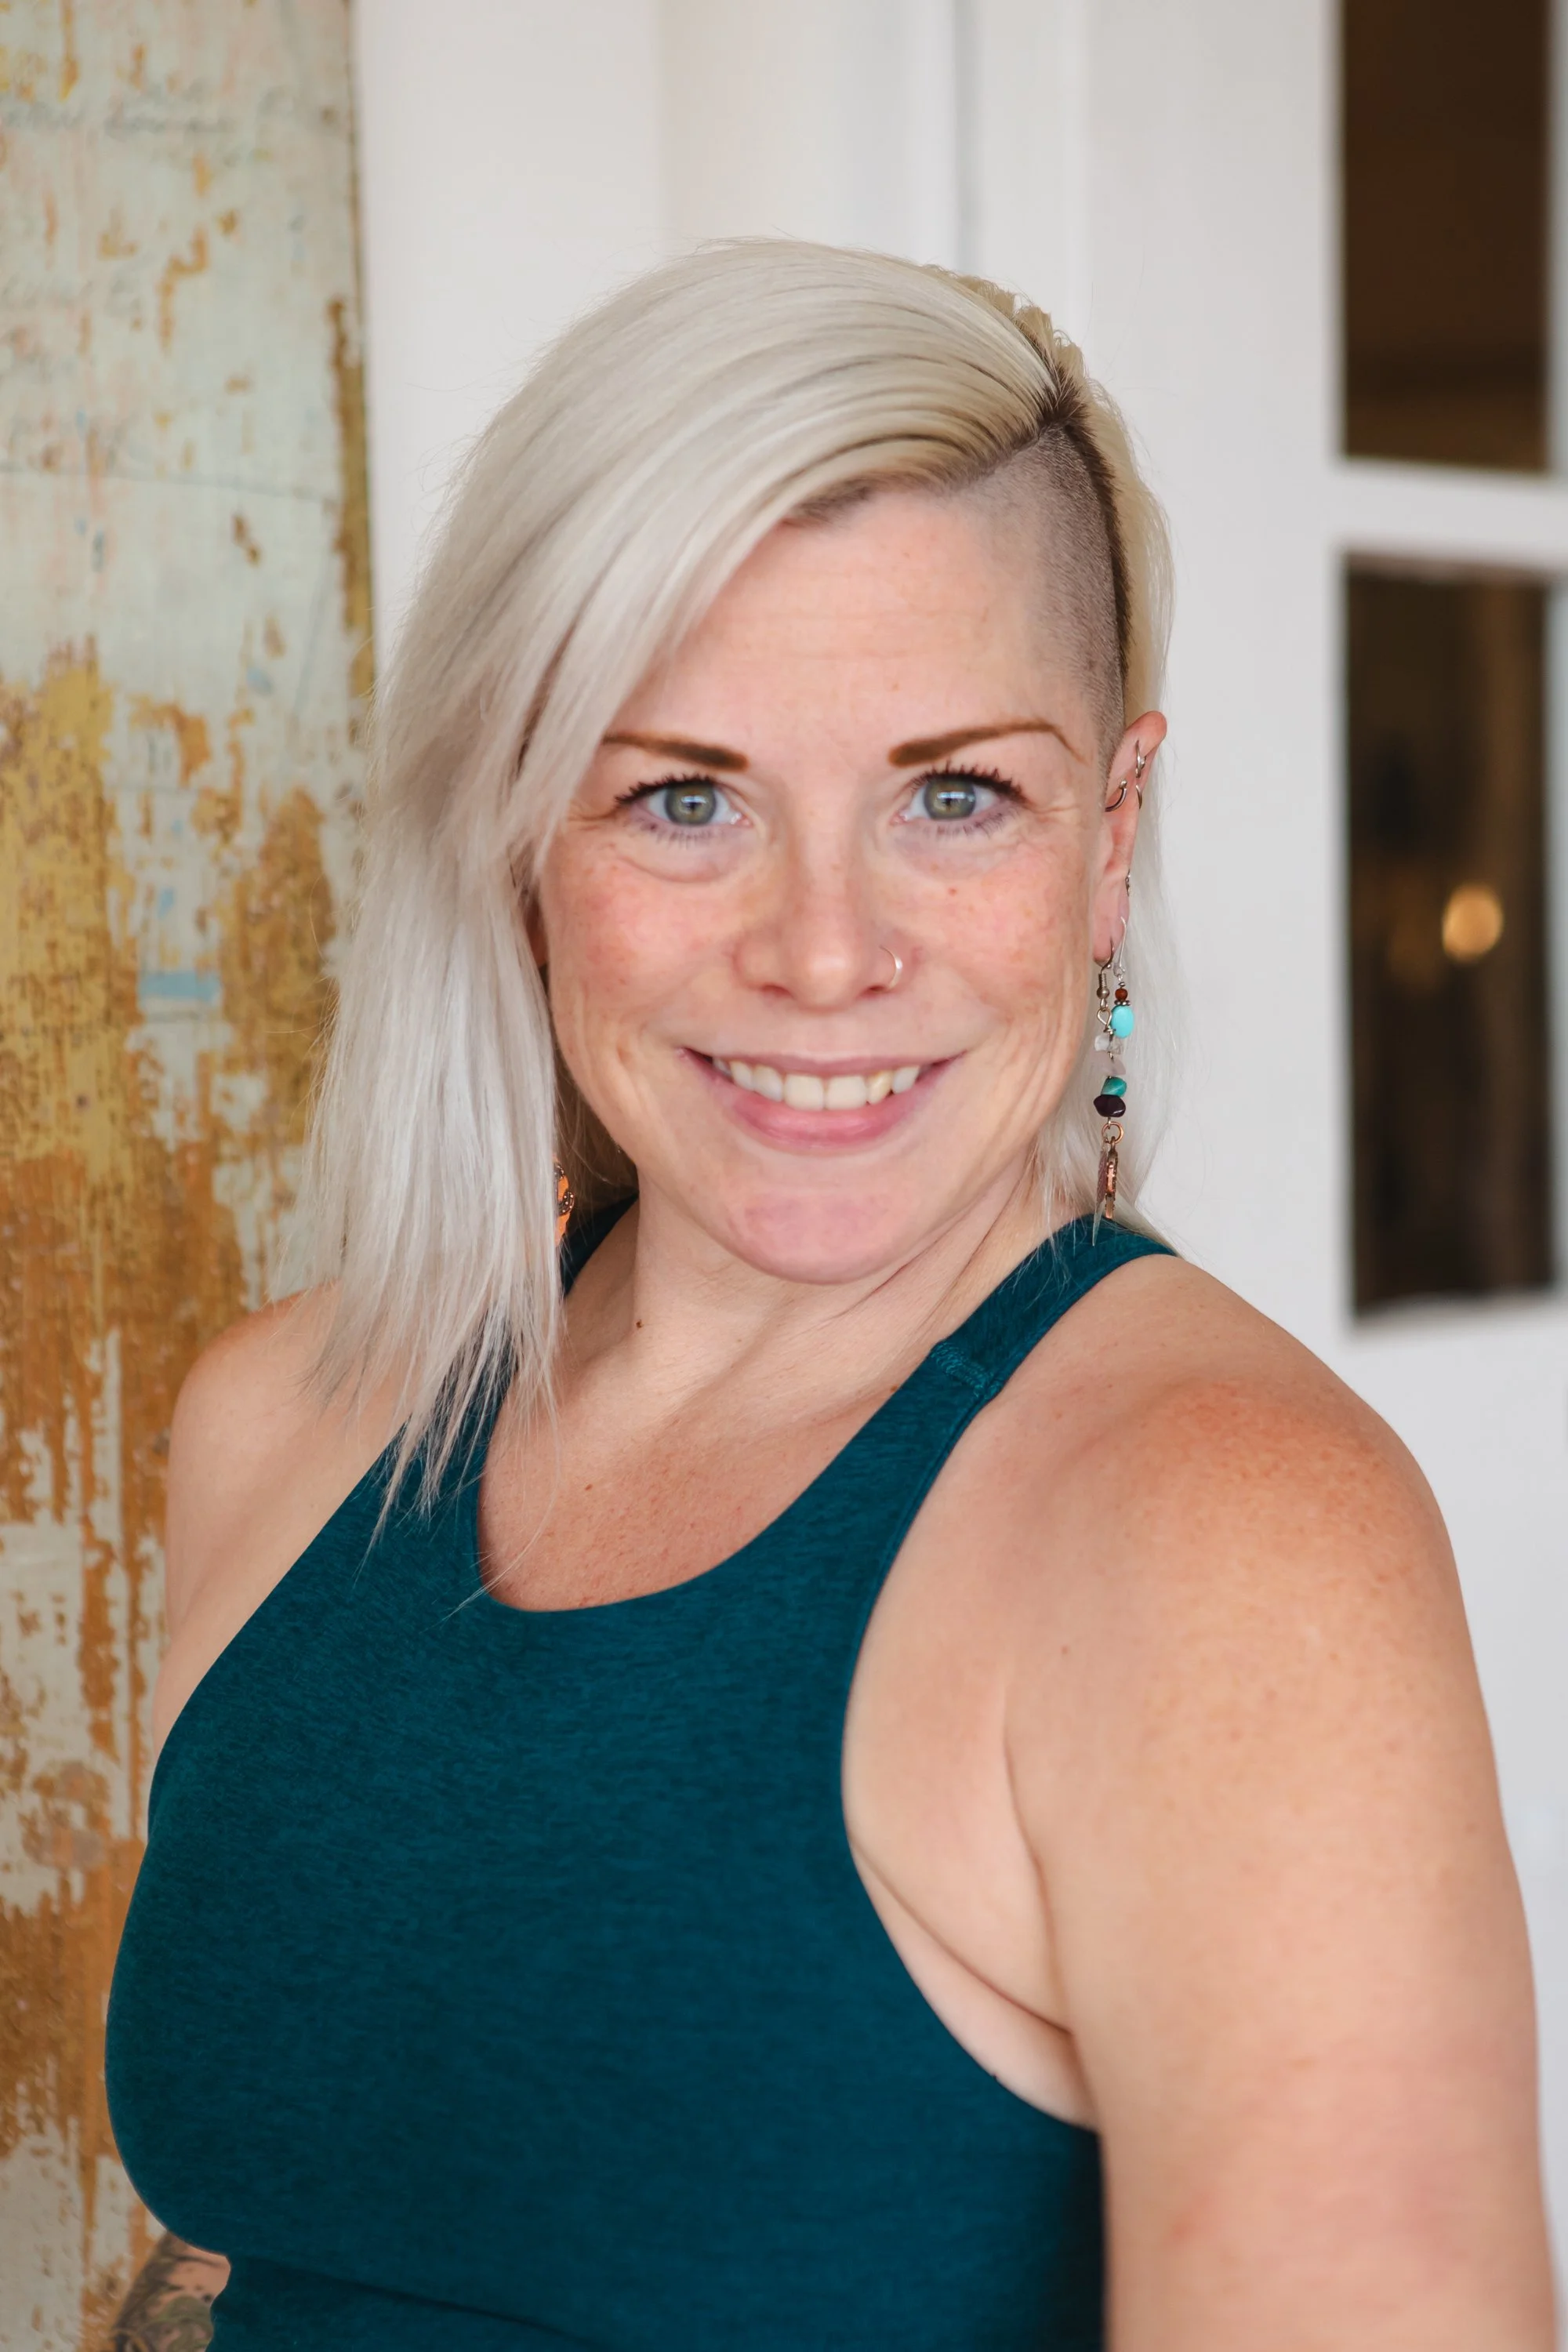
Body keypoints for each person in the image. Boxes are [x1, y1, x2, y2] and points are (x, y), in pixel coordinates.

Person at [105, 242, 1553, 2350]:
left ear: (1113, 829)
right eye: (684, 797)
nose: (822, 953)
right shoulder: (288, 1426)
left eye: (954, 794)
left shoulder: (1226, 1539)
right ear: (526, 829)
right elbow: (249, 2250)